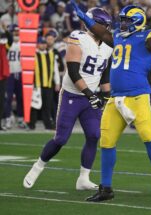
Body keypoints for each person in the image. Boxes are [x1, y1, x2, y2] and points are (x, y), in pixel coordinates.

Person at [72, 1, 151, 201]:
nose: (123, 24)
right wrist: (85, 18)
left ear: (137, 22)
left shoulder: (147, 37)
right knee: (107, 142)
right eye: (123, 20)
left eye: (127, 21)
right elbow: (101, 33)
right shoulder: (118, 35)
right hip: (116, 98)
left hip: (138, 96)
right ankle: (106, 188)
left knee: (148, 138)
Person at [23, 7, 113, 190]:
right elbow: (72, 71)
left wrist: (105, 97)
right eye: (103, 25)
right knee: (61, 138)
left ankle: (83, 179)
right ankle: (37, 166)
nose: (106, 29)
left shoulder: (107, 46)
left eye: (107, 26)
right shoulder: (78, 37)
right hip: (73, 94)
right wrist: (90, 95)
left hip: (91, 97)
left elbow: (105, 76)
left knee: (95, 135)